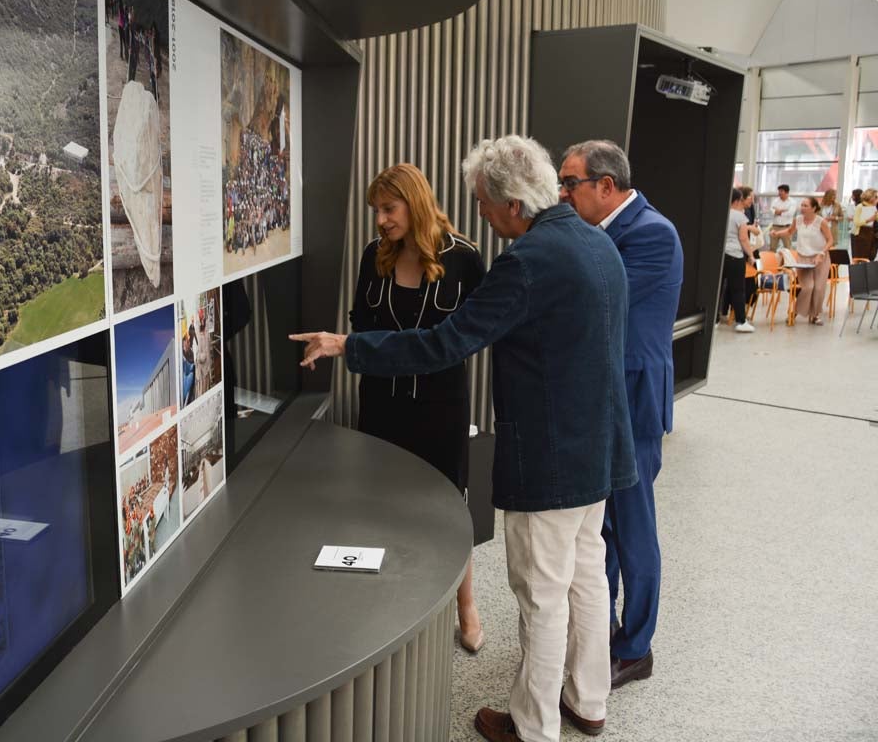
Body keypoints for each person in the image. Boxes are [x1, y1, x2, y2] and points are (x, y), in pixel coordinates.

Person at [292, 135, 637, 742]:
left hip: (554, 461)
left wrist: (348, 345)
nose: (477, 212)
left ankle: (533, 726)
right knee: (587, 576)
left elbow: (443, 343)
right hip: (603, 448)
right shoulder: (598, 242)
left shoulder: (525, 263)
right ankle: (588, 701)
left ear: (512, 204)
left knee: (542, 594)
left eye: (482, 200)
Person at [558, 140, 683, 691]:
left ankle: (636, 647)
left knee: (633, 528)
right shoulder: (601, 232)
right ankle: (599, 629)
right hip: (603, 396)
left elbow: (600, 305)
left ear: (605, 186)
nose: (562, 194)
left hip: (633, 397)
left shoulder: (653, 233)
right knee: (601, 528)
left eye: (570, 183)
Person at [347, 163, 488, 653]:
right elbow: (360, 327)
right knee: (385, 503)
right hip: (382, 403)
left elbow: (477, 333)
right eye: (376, 211)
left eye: (389, 208)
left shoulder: (465, 258)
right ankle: (392, 604)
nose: (381, 220)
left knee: (451, 503)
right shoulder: (374, 257)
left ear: (415, 202)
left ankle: (466, 606)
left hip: (440, 405)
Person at [772, 197, 834, 324]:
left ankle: (815, 315)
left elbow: (830, 240)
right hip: (803, 258)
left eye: (805, 205)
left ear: (814, 208)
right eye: (802, 205)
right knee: (808, 287)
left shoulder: (821, 222)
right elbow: (789, 231)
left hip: (820, 258)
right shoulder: (798, 220)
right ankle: (795, 311)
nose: (802, 207)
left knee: (818, 288)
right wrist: (777, 234)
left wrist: (822, 253)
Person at [717, 188, 757, 332]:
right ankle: (741, 321)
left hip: (720, 256)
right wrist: (751, 255)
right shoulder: (740, 217)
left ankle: (714, 320)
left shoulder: (720, 213)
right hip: (735, 255)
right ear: (737, 200)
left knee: (718, 287)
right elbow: (743, 239)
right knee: (738, 289)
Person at [851, 188, 878, 261]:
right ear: (871, 197)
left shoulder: (874, 208)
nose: (877, 199)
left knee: (870, 258)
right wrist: (869, 219)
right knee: (859, 259)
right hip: (859, 236)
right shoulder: (860, 206)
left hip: (871, 236)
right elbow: (856, 222)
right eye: (876, 197)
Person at [769, 184, 797, 249]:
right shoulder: (775, 200)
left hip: (787, 228)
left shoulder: (792, 202)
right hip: (775, 227)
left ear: (787, 192)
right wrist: (783, 211)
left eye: (781, 191)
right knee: (772, 248)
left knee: (788, 247)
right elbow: (771, 211)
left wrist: (778, 211)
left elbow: (790, 213)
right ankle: (772, 259)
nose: (779, 193)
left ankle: (786, 259)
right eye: (779, 191)